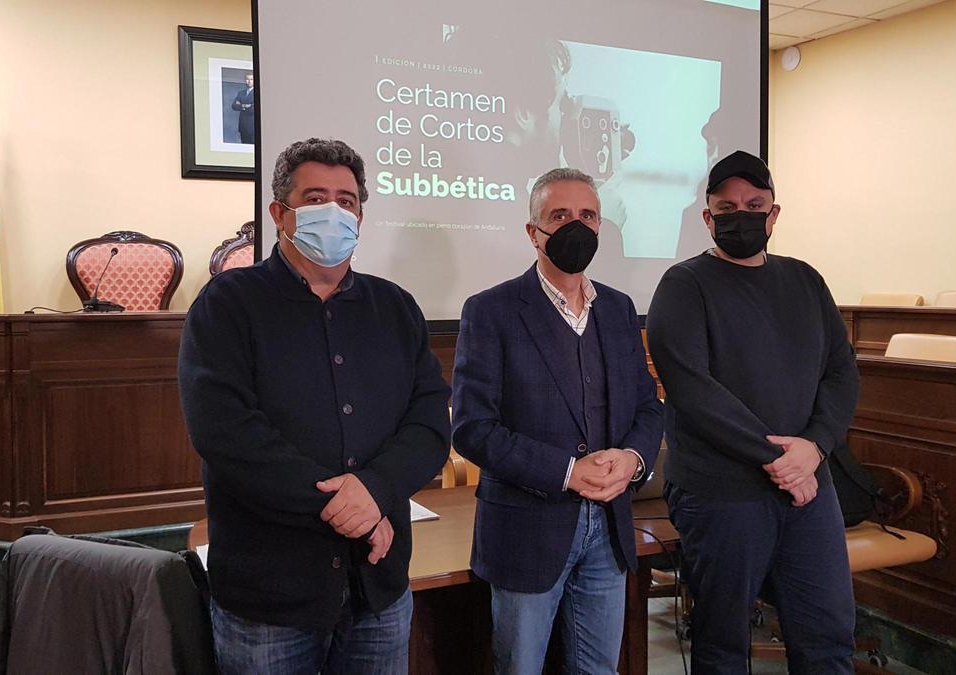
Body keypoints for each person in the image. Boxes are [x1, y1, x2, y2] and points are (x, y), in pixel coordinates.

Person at [178, 137, 450, 674]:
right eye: (316, 198)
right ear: (280, 213)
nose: (334, 212)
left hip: (379, 590)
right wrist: (350, 510)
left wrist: (374, 492)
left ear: (361, 216)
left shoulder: (396, 307)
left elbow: (428, 422)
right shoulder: (229, 305)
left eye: (346, 201)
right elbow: (226, 432)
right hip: (270, 598)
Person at [646, 150, 860, 674]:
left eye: (754, 204)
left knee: (829, 636)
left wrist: (814, 447)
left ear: (774, 214)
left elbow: (841, 371)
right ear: (707, 217)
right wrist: (780, 460)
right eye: (727, 207)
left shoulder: (806, 280)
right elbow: (692, 390)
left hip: (810, 485)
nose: (740, 215)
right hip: (722, 493)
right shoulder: (684, 285)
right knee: (723, 645)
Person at [452, 167, 664, 673]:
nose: (576, 226)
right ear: (533, 232)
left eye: (587, 215)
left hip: (609, 528)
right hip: (527, 531)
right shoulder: (491, 311)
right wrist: (568, 471)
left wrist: (633, 457)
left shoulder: (617, 308)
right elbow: (472, 427)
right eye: (559, 215)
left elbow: (647, 405)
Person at [232, 72, 255, 143]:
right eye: (247, 79)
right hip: (243, 126)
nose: (249, 81)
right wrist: (245, 106)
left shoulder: (258, 92)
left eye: (251, 79)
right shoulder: (241, 93)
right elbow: (234, 106)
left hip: (252, 126)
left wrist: (241, 105)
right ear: (245, 80)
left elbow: (254, 108)